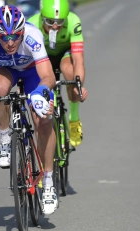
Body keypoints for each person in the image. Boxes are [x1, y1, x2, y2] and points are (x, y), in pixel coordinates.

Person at [0, 5, 58, 215]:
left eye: (15, 37)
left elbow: (49, 76)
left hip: (32, 74)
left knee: (43, 121)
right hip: (4, 71)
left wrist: (41, 92)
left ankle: (48, 183)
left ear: (22, 32)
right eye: (4, 38)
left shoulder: (32, 36)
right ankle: (5, 140)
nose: (10, 43)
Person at [28, 0, 88, 147]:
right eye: (49, 22)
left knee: (69, 70)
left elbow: (78, 59)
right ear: (41, 16)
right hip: (43, 57)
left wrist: (78, 86)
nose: (55, 26)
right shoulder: (32, 24)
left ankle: (73, 117)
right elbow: (27, 60)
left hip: (64, 53)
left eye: (60, 22)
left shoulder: (73, 21)